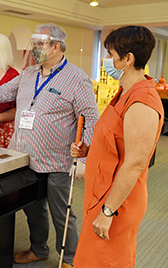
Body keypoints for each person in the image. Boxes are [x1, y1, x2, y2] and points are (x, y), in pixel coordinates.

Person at [0, 23, 100, 268]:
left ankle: (71, 260)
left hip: (58, 161)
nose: (33, 48)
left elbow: (90, 119)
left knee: (62, 214)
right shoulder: (29, 73)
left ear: (56, 46)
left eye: (39, 44)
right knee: (33, 209)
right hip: (24, 156)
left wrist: (85, 159)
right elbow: (3, 93)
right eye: (33, 43)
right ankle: (39, 249)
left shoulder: (77, 78)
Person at [71, 26, 164, 268]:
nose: (107, 61)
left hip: (117, 204)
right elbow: (117, 142)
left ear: (128, 59)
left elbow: (134, 163)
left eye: (111, 55)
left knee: (105, 261)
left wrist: (108, 211)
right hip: (101, 196)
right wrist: (90, 151)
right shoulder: (124, 92)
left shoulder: (142, 101)